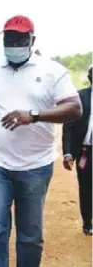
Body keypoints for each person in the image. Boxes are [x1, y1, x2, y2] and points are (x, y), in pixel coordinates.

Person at [0, 16, 82, 267]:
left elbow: (74, 108)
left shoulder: (52, 71)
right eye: (9, 38)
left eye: (20, 38)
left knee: (30, 235)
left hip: (35, 166)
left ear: (32, 40)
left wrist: (33, 115)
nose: (14, 43)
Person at [62, 65, 92, 235]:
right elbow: (68, 126)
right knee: (87, 187)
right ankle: (88, 221)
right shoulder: (80, 97)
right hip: (86, 152)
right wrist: (68, 152)